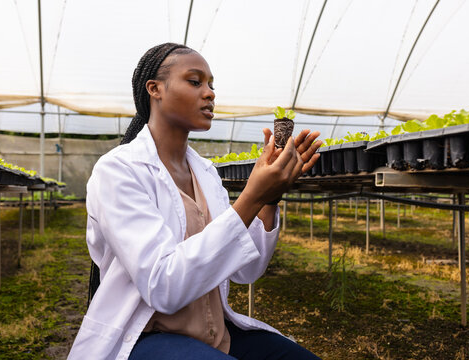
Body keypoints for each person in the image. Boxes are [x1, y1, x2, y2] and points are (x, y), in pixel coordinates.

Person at [68, 42, 322, 360]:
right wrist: (251, 196)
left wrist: (269, 199)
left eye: (211, 84)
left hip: (213, 333)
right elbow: (164, 287)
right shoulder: (119, 171)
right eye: (195, 81)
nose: (210, 93)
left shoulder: (205, 172)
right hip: (147, 335)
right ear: (155, 89)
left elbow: (248, 270)